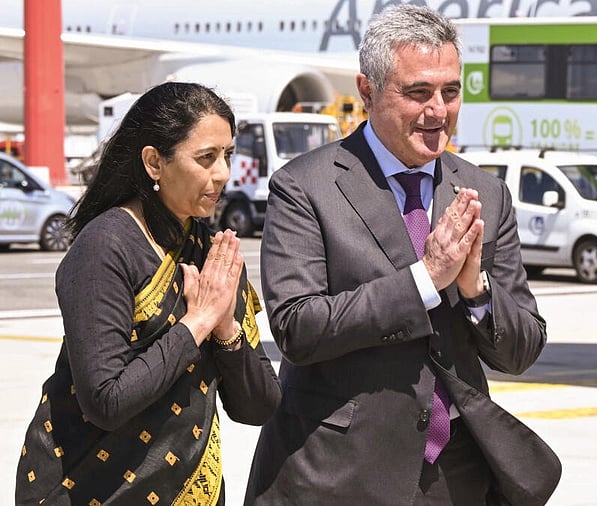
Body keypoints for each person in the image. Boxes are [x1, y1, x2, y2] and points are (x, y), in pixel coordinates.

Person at [244, 5, 561, 505]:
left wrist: (475, 290)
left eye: (451, 92)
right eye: (418, 93)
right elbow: (296, 328)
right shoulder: (305, 186)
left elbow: (521, 350)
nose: (439, 110)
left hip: (455, 477)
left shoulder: (485, 193)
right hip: (336, 474)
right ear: (366, 92)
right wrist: (424, 280)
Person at [15, 81, 282, 505]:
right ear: (154, 162)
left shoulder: (213, 256)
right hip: (89, 488)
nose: (223, 174)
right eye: (206, 158)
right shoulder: (104, 247)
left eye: (228, 155)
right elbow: (106, 400)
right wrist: (196, 323)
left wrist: (225, 325)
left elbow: (259, 408)